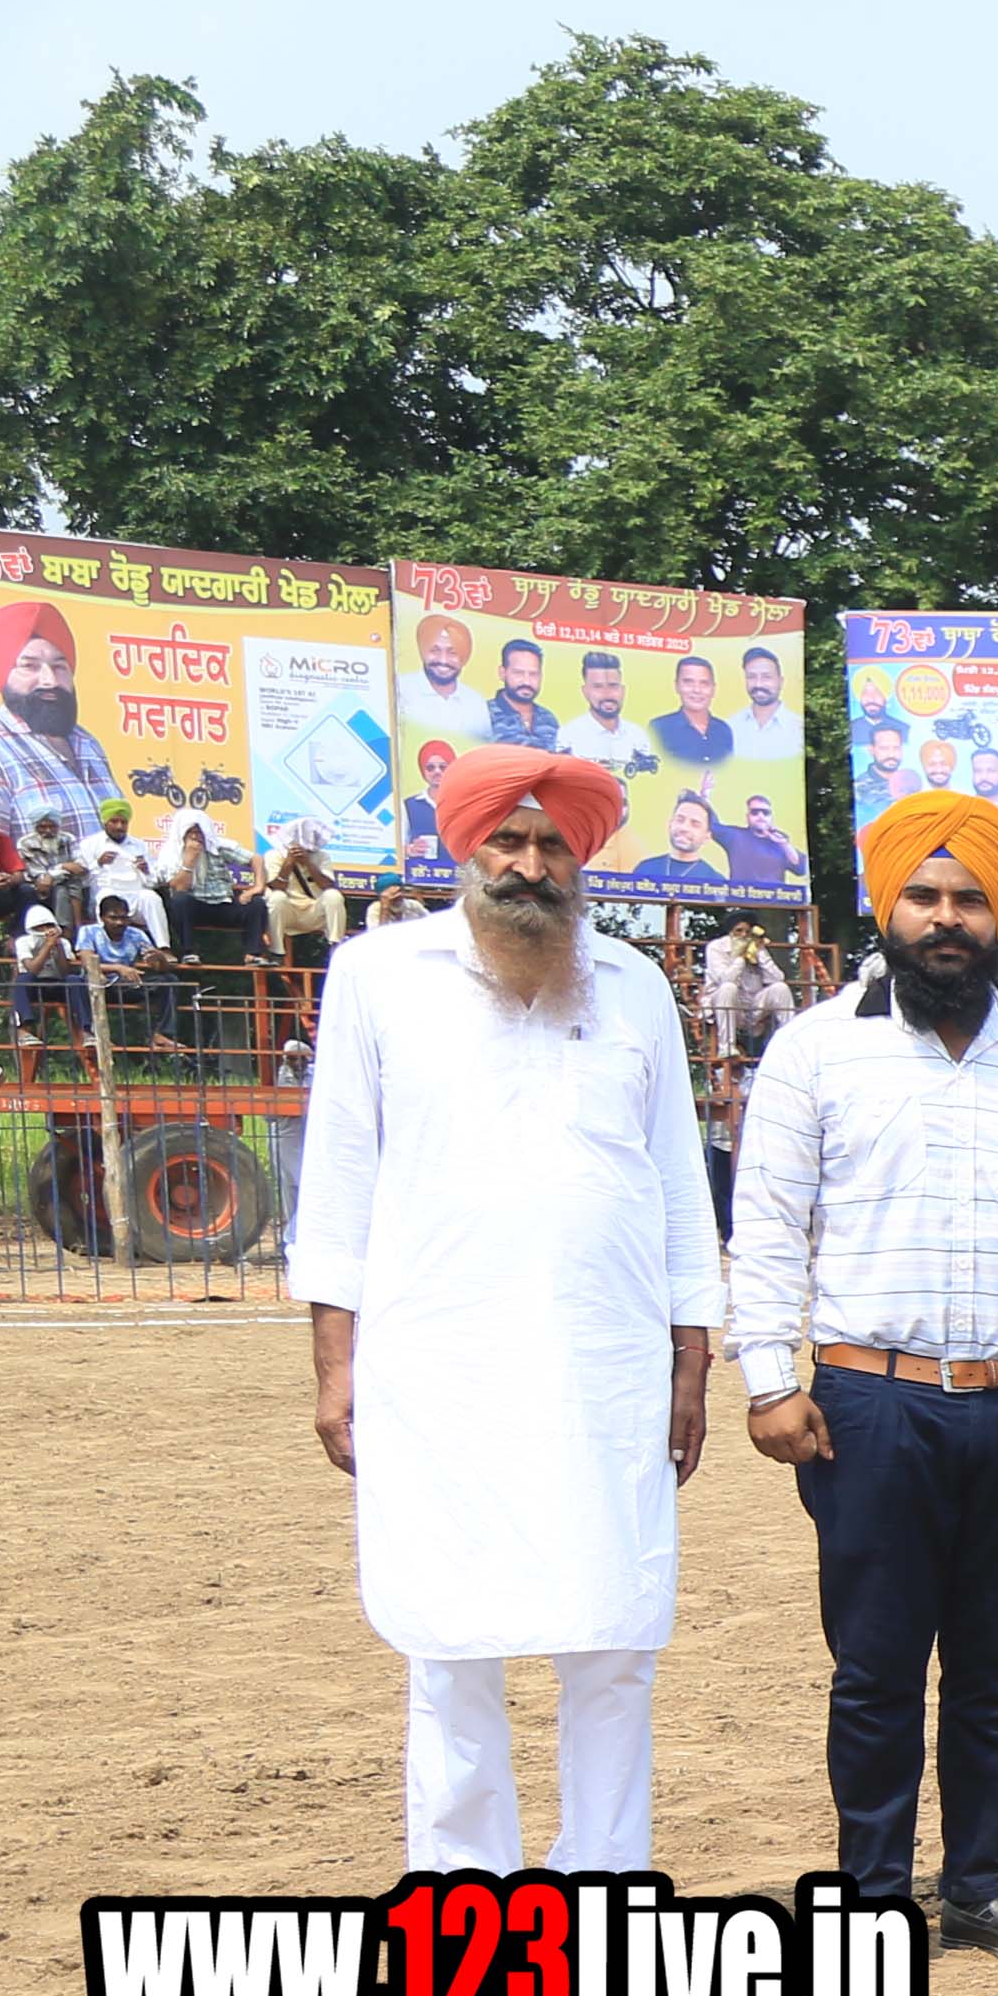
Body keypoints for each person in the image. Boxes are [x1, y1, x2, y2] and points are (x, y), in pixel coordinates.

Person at [728, 788, 998, 1965]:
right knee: (875, 1667)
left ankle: (981, 1887)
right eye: (924, 896)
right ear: (886, 907)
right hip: (870, 1404)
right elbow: (768, 1226)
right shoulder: (816, 1049)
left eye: (969, 899)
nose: (946, 919)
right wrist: (768, 1381)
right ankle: (869, 1896)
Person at [294, 750, 719, 1872]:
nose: (531, 865)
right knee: (451, 1643)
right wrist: (336, 1369)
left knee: (615, 1638)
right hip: (438, 1367)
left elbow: (680, 1181)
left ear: (581, 860)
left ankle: (606, 1886)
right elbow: (338, 1180)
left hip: (605, 1361)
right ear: (466, 849)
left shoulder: (633, 984)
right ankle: (458, 1893)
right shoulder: (378, 974)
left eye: (554, 845)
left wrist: (691, 1357)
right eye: (509, 841)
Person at [0, 604, 118, 840]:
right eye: (29, 666)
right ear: (3, 675)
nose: (49, 680)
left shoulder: (87, 743)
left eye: (59, 667)